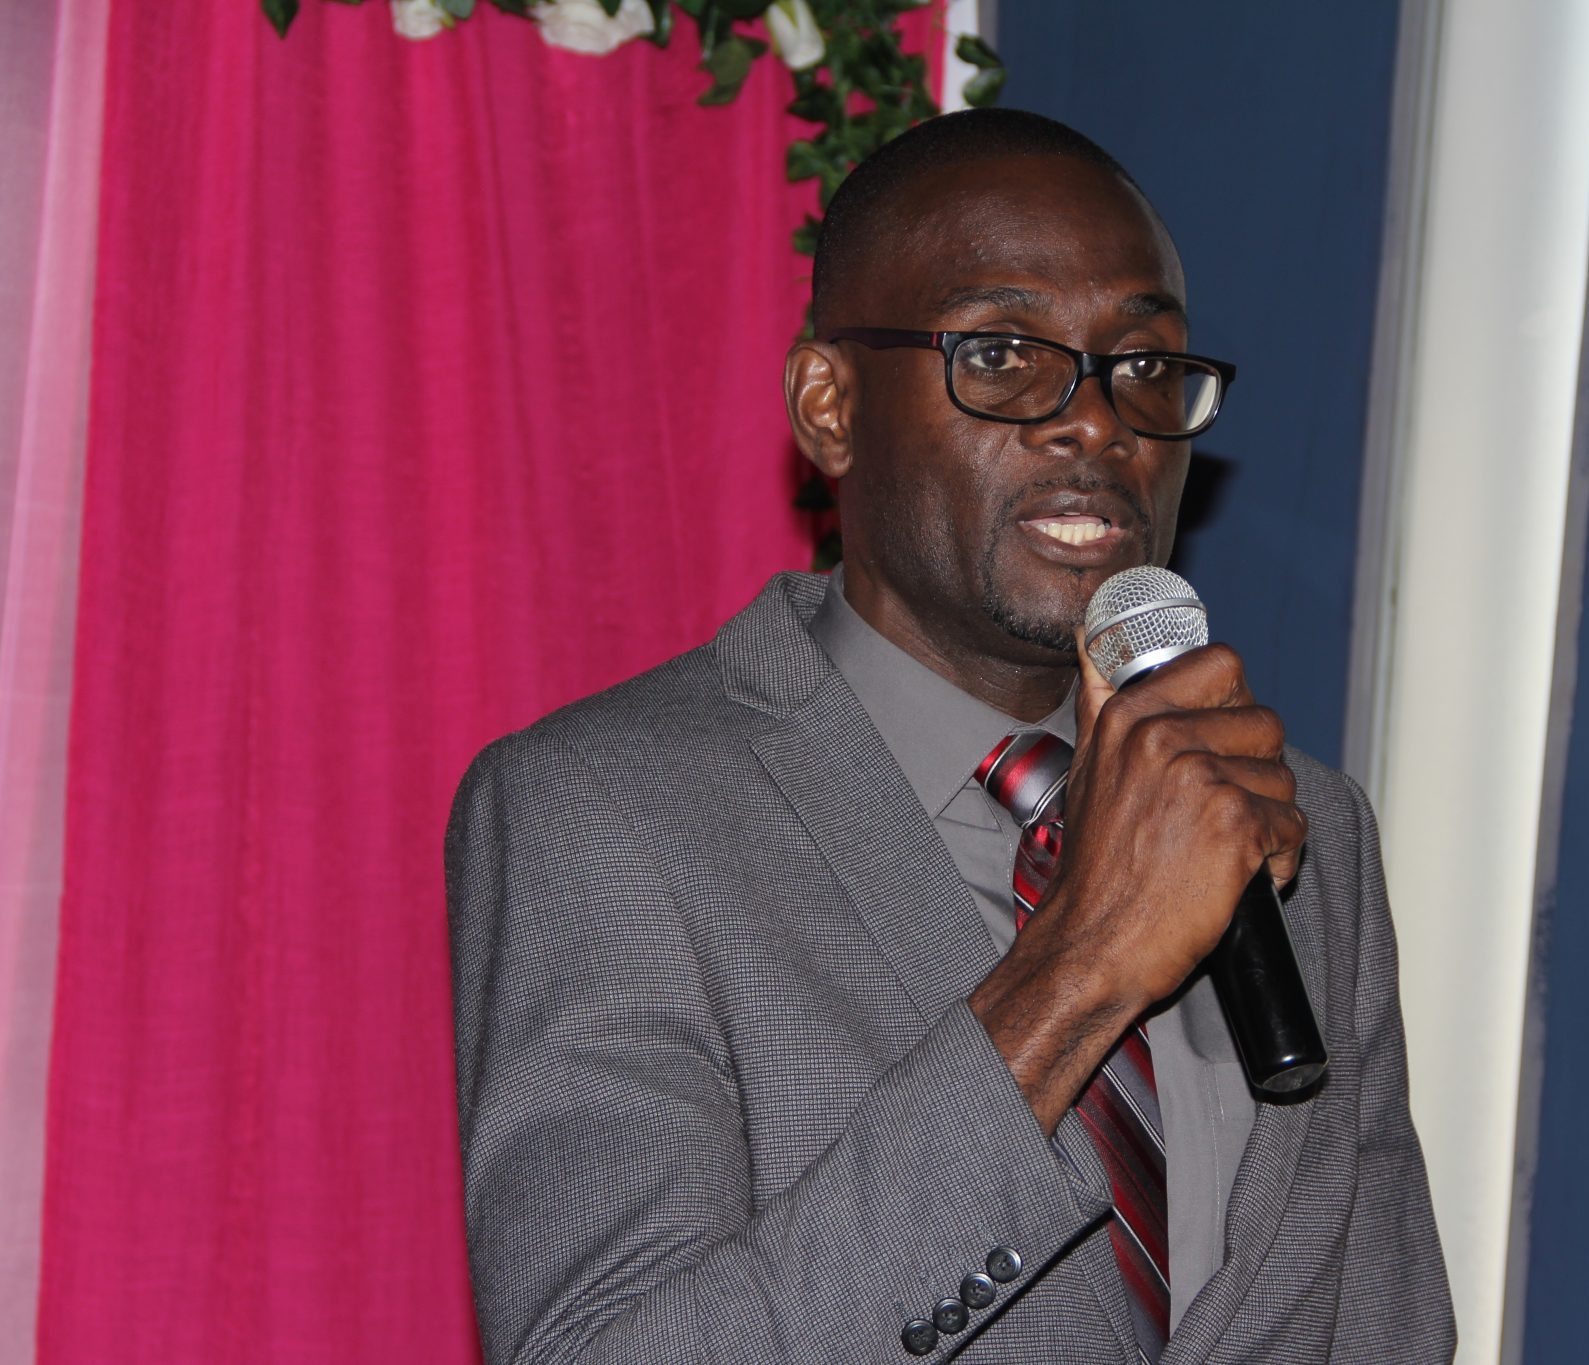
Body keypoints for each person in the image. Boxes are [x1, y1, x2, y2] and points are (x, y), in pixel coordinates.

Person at [447, 108, 1453, 1365]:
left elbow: (1384, 1325)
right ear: (829, 406)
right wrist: (1080, 965)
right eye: (1004, 354)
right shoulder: (605, 815)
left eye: (1144, 365)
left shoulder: (1299, 826)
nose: (1096, 423)